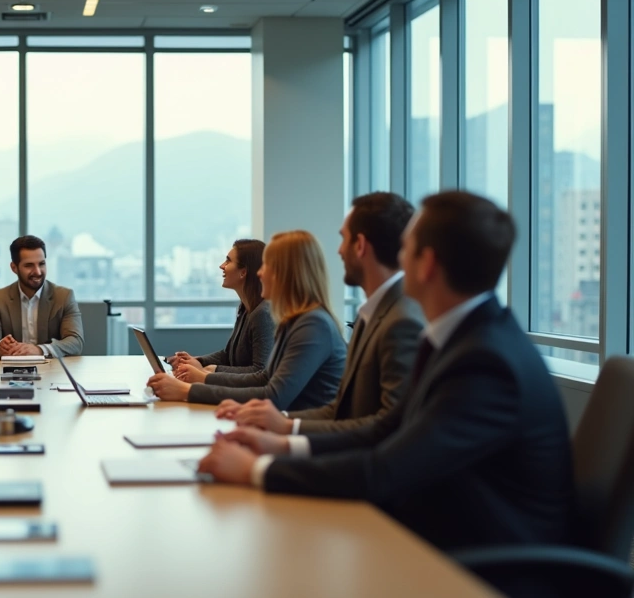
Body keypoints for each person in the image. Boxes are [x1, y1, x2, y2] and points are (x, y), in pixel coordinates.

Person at [196, 191, 574, 555]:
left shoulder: (485, 363)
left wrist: (259, 470)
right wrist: (283, 444)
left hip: (479, 566)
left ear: (427, 263)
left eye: (406, 247)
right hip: (436, 533)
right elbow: (386, 429)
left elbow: (388, 467)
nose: (397, 257)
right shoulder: (462, 338)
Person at [222, 193, 424, 434]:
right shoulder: (370, 316)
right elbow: (343, 410)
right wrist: (284, 424)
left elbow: (387, 428)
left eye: (343, 239)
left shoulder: (400, 321)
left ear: (360, 245)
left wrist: (282, 444)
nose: (338, 251)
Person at [147, 231, 346, 412]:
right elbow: (265, 379)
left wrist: (190, 388)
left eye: (267, 266)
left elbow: (273, 395)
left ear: (285, 274)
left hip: (309, 435)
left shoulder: (313, 326)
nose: (259, 273)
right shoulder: (294, 321)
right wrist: (201, 372)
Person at [167, 239, 275, 383]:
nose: (222, 266)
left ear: (243, 272)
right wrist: (197, 361)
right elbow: (228, 355)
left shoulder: (263, 314)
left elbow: (260, 371)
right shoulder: (245, 308)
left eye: (228, 261)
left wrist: (211, 370)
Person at [0, 235, 84, 358]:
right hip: (11, 372)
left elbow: (76, 342)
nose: (37, 271)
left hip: (52, 372)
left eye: (41, 264)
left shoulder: (64, 296)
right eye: (29, 265)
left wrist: (40, 350)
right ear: (14, 268)